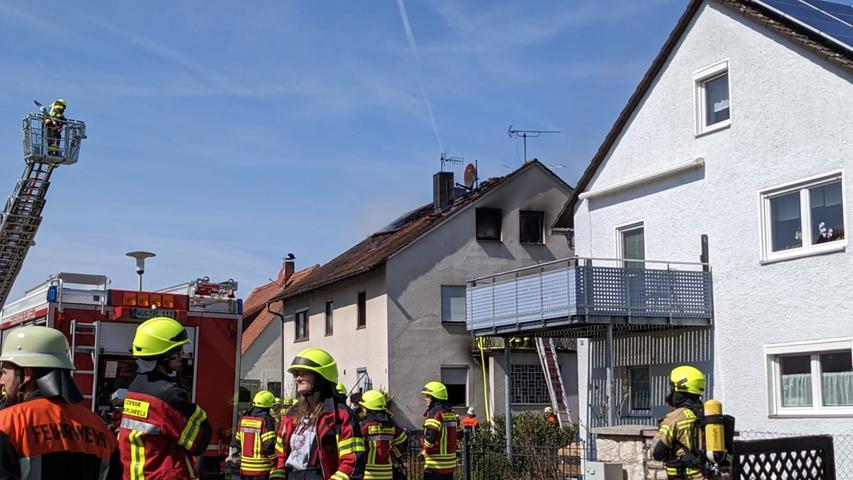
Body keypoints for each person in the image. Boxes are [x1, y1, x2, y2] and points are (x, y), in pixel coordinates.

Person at [0, 325, 119, 479]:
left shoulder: (7, 424)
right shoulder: (100, 427)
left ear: (26, 374)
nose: (2, 381)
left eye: (4, 373)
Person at [118, 316, 212, 480]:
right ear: (165, 356)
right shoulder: (169, 395)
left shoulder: (135, 389)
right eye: (179, 351)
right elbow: (199, 440)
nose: (182, 355)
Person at [270, 348, 365, 480]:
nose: (297, 378)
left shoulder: (340, 415)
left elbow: (352, 461)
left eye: (303, 373)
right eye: (296, 374)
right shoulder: (292, 414)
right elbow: (280, 453)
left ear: (321, 378)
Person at [652, 365, 707, 480]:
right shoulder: (707, 412)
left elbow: (658, 453)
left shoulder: (676, 416)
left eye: (671, 388)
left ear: (678, 391)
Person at [358, 390, 407, 480]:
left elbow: (356, 449)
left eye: (363, 407)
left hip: (368, 473)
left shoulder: (364, 425)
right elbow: (403, 441)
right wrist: (391, 456)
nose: (362, 409)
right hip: (387, 472)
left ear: (368, 408)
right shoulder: (391, 425)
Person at [229, 390, 278, 479]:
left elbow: (237, 441)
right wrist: (275, 460)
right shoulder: (266, 420)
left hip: (244, 468)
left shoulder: (243, 419)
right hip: (261, 469)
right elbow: (269, 445)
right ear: (268, 406)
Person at [420, 381, 458, 480]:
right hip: (449, 465)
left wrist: (424, 451)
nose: (425, 399)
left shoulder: (434, 412)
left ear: (434, 397)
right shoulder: (451, 413)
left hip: (435, 466)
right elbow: (459, 434)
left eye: (427, 396)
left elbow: (430, 438)